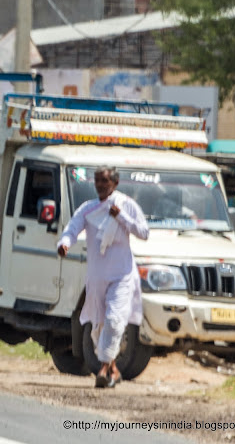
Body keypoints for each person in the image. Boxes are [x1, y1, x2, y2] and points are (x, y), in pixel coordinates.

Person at [57, 166, 149, 389]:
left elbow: (143, 232)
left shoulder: (126, 205)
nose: (100, 185)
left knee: (115, 320)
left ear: (115, 183)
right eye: (97, 181)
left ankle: (103, 369)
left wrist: (121, 217)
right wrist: (65, 244)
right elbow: (72, 228)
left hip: (122, 274)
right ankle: (113, 369)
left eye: (105, 181)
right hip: (97, 276)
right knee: (98, 325)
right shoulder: (88, 209)